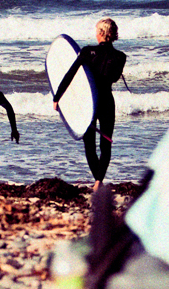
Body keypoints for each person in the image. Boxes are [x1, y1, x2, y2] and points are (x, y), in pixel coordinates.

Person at [53, 18, 126, 191]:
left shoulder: (87, 52)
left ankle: (97, 181)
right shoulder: (120, 57)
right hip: (107, 101)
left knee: (89, 145)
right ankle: (99, 181)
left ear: (101, 33)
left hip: (89, 103)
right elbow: (114, 78)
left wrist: (57, 97)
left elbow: (70, 75)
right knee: (106, 144)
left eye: (97, 31)